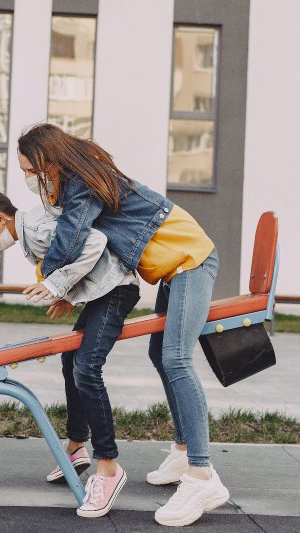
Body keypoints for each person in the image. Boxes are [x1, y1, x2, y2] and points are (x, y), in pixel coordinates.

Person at [17, 123, 228, 527]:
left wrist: (49, 276)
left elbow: (73, 235)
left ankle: (203, 475)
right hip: (174, 269)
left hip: (192, 259)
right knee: (160, 354)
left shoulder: (83, 183)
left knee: (177, 358)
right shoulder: (85, 177)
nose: (30, 179)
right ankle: (184, 450)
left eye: (31, 170)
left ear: (49, 162)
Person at [0, 187, 140, 518]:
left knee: (87, 368)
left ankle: (109, 467)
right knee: (71, 358)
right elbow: (78, 255)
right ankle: (75, 447)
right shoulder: (32, 228)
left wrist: (55, 285)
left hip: (117, 290)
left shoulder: (35, 229)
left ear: (0, 218)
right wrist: (68, 294)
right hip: (104, 290)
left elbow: (95, 244)